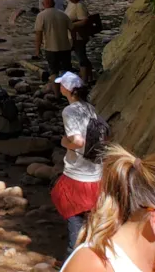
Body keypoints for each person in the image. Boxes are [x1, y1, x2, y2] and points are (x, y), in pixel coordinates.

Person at [53, 72, 105, 254]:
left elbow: (77, 141)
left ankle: (72, 260)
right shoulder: (89, 108)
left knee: (73, 217)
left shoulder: (69, 111)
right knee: (90, 219)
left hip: (78, 174)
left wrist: (63, 142)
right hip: (95, 172)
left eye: (61, 85)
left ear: (66, 89)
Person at [36, 0, 75, 77]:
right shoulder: (63, 14)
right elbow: (72, 29)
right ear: (54, 3)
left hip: (50, 48)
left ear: (44, 4)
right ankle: (66, 88)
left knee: (54, 71)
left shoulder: (41, 16)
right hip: (65, 47)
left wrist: (37, 49)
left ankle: (56, 90)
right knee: (66, 69)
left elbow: (38, 34)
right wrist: (73, 43)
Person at [66, 0, 95, 80]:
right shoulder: (71, 4)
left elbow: (84, 21)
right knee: (80, 54)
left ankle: (85, 78)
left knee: (80, 56)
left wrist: (70, 25)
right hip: (72, 34)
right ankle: (89, 76)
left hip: (78, 35)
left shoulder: (79, 5)